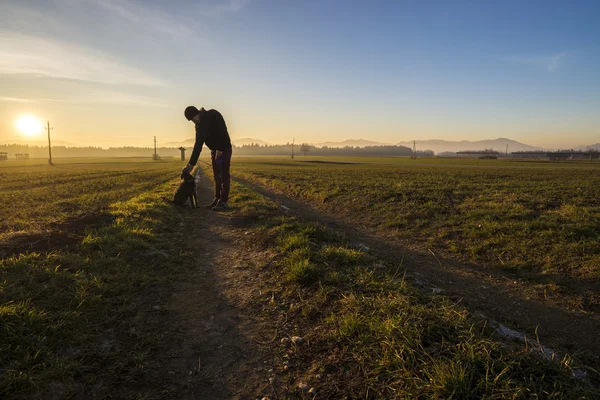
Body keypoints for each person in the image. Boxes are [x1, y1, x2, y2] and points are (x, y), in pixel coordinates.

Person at [183, 105, 233, 210]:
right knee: (216, 176)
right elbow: (197, 146)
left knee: (224, 175)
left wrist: (220, 149)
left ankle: (224, 202)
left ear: (195, 114)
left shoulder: (213, 114)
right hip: (214, 151)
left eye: (192, 119)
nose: (193, 122)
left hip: (224, 148)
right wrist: (191, 164)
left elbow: (222, 131)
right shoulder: (198, 127)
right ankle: (217, 199)